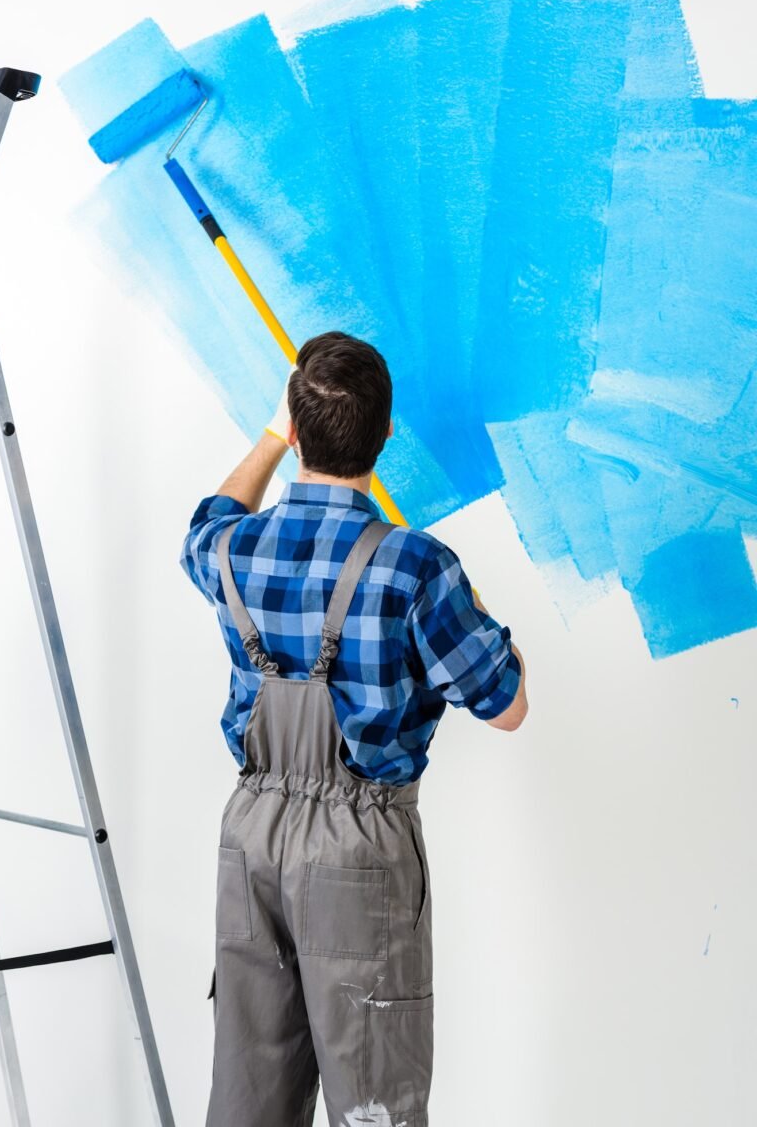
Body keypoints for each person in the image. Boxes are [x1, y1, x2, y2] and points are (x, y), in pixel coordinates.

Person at [180, 330, 528, 1127]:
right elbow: (507, 705)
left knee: (249, 1094)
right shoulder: (416, 565)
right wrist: (480, 617)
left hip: (251, 838)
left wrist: (273, 436)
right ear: (387, 433)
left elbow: (208, 520)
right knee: (374, 1100)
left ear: (296, 428)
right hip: (358, 852)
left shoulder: (233, 550)